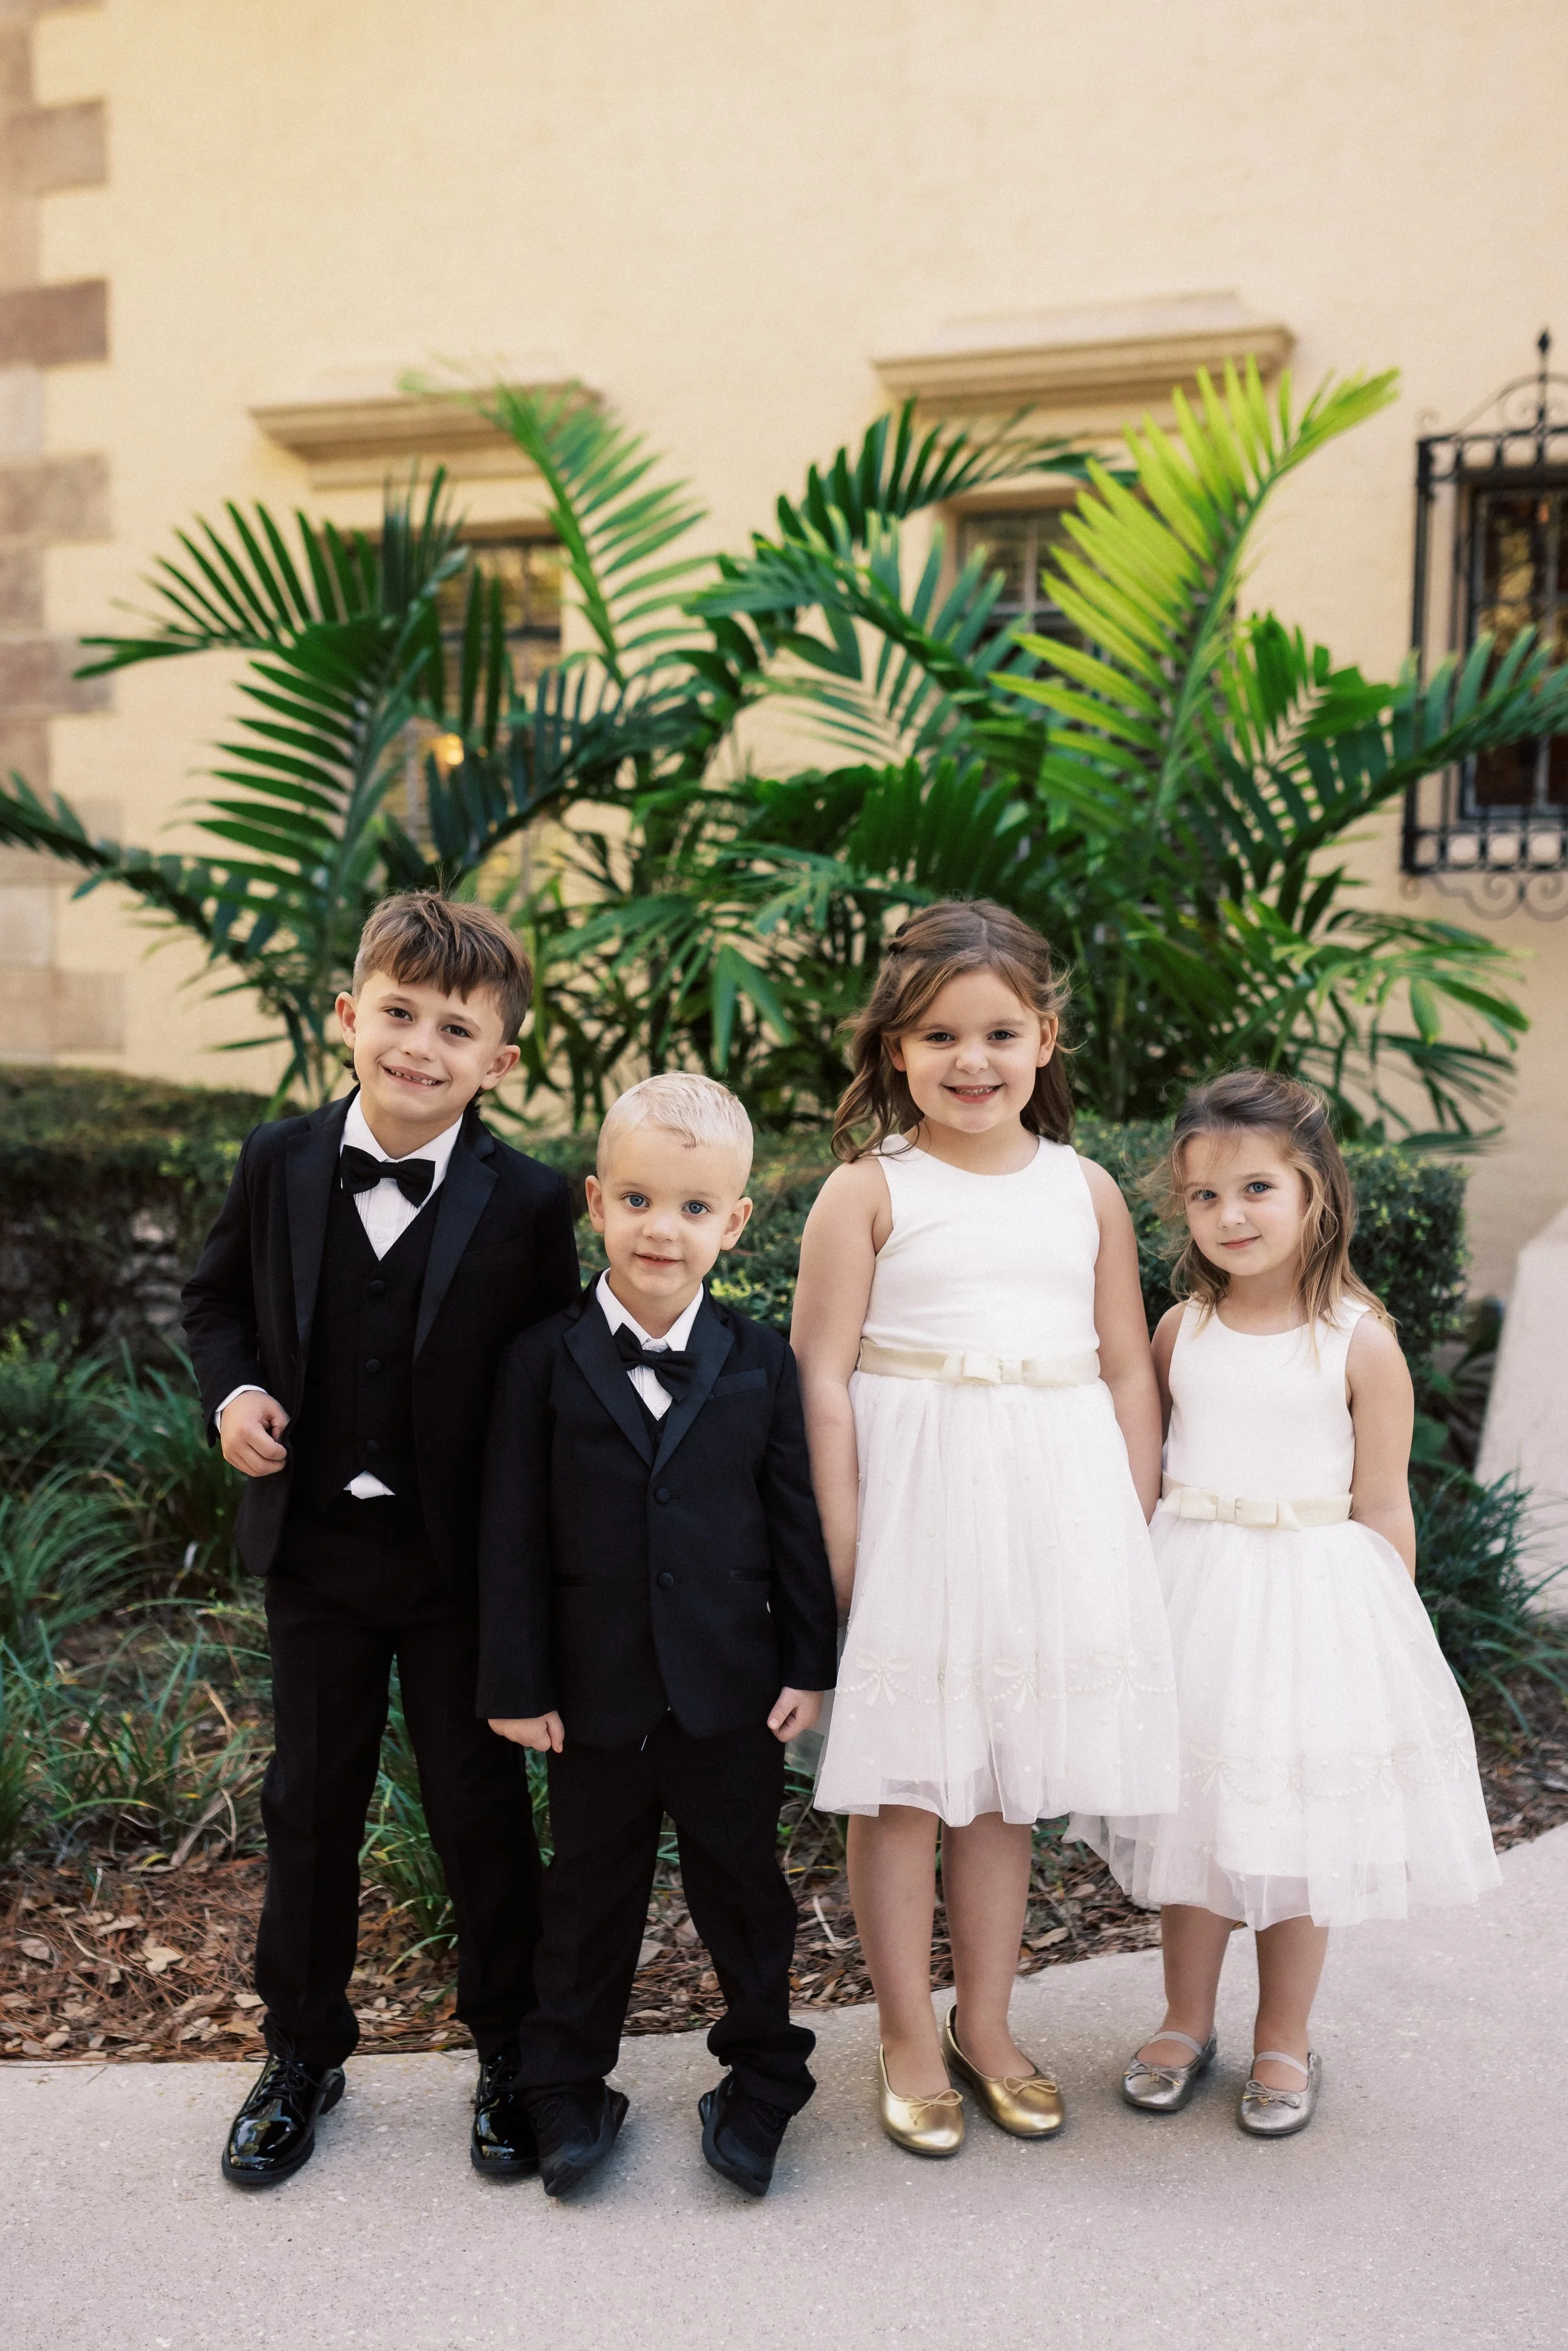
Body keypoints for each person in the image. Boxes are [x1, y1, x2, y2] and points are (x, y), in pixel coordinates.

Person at [181, 893, 580, 2187]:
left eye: (455, 1029)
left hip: (456, 1568)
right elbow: (215, 1300)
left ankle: (510, 2048)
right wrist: (236, 1394)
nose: (420, 1045)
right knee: (309, 1802)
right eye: (399, 1013)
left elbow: (542, 1376)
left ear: (499, 1060)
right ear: (351, 1015)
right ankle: (301, 2051)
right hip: (315, 1557)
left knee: (478, 1810)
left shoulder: (528, 1200)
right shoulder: (279, 1159)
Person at [790, 900, 1178, 2157]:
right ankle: (907, 2029)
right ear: (894, 1049)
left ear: (1045, 1039)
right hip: (914, 1511)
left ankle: (989, 2022)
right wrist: (844, 1540)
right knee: (904, 1784)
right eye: (939, 1035)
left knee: (1004, 1785)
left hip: (1050, 1514)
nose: (972, 1059)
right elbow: (819, 1377)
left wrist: (1125, 1521)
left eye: (1000, 1032)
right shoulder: (867, 1192)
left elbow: (1126, 1366)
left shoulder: (1084, 1190)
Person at [1074, 1071, 1501, 2138]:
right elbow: (1147, 1474)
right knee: (1193, 1821)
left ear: (1316, 1193)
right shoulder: (1180, 1330)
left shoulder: (1358, 1341)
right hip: (1195, 1598)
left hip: (1312, 1611)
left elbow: (1384, 1502)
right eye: (1206, 1196)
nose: (1232, 1215)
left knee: (1294, 1833)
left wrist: (1382, 1644)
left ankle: (1284, 2036)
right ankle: (1184, 2021)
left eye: (1258, 1188)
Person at [479, 1073, 839, 2200]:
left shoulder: (761, 1358)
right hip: (592, 1693)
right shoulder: (539, 1359)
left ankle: (764, 2075)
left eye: (693, 1208)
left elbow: (794, 1518)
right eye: (637, 1200)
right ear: (596, 1202)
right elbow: (510, 1535)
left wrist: (809, 1662)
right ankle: (568, 2082)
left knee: (746, 1890)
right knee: (588, 1895)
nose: (661, 1230)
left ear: (735, 1221)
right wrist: (516, 1681)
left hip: (732, 1688)